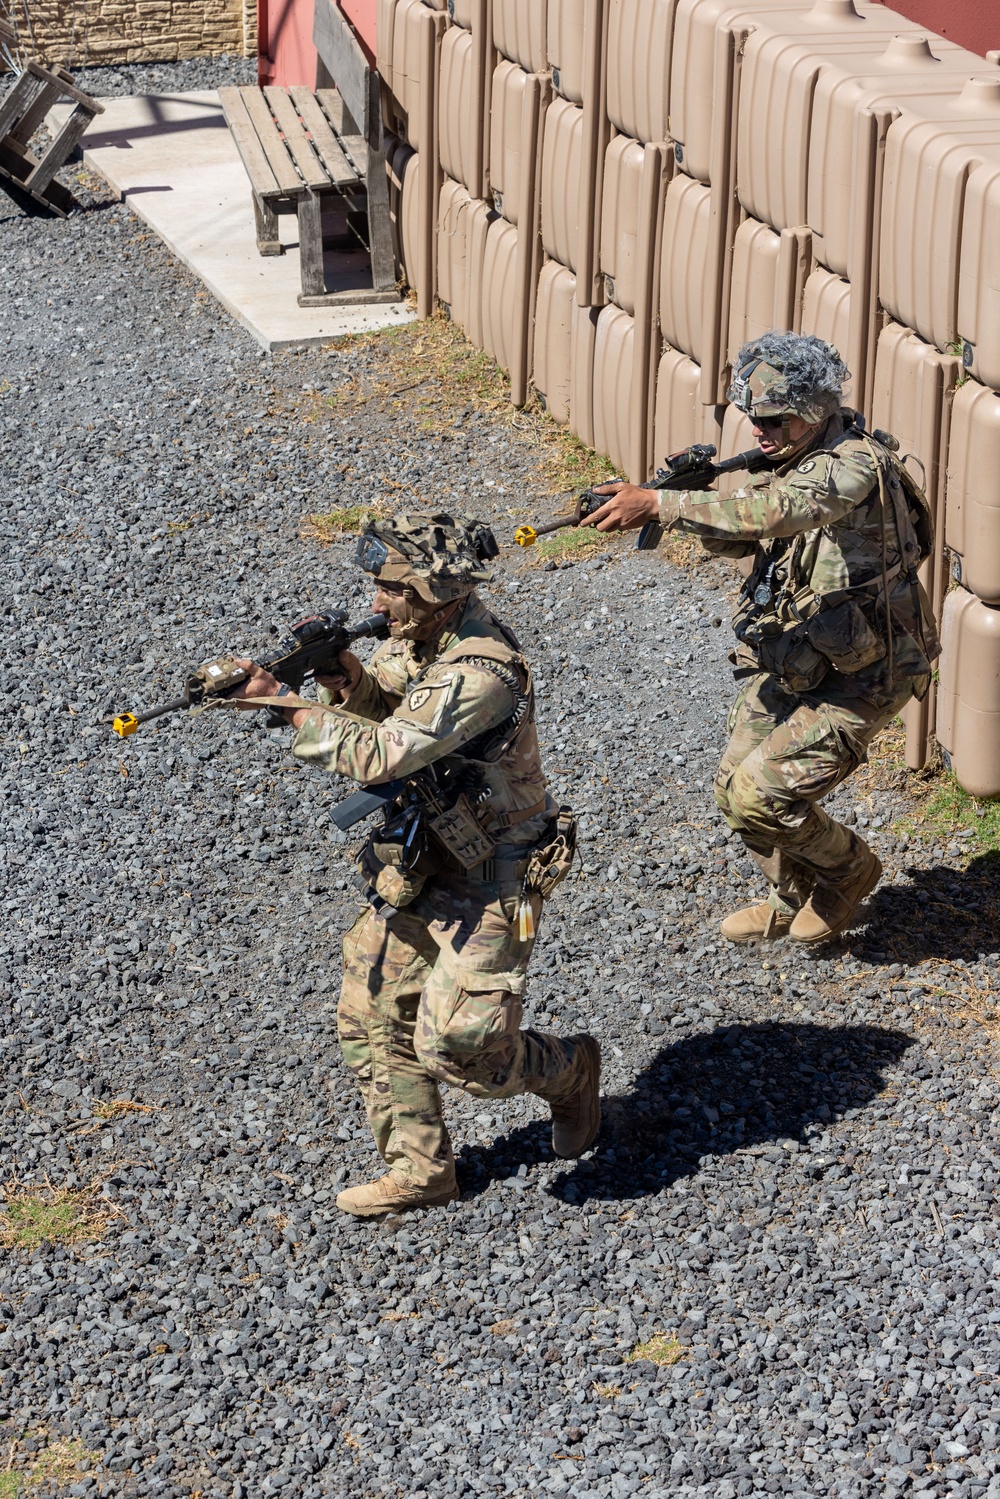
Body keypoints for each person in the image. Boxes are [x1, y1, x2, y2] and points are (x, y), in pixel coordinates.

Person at [233, 512, 601, 1216]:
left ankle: (569, 1069)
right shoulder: (423, 639)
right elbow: (389, 711)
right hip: (430, 854)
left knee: (464, 1045)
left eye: (389, 588)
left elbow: (387, 752)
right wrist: (345, 679)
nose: (376, 602)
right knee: (370, 1008)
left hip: (500, 876)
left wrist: (283, 708)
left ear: (435, 589)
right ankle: (421, 1171)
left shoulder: (479, 669)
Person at [582, 331, 939, 946]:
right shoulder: (791, 461)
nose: (757, 432)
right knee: (732, 786)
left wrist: (666, 504)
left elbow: (781, 514)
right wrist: (692, 496)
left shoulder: (855, 465)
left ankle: (850, 872)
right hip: (808, 659)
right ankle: (790, 894)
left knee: (762, 793)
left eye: (773, 418)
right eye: (753, 418)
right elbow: (749, 535)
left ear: (813, 412)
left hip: (872, 672)